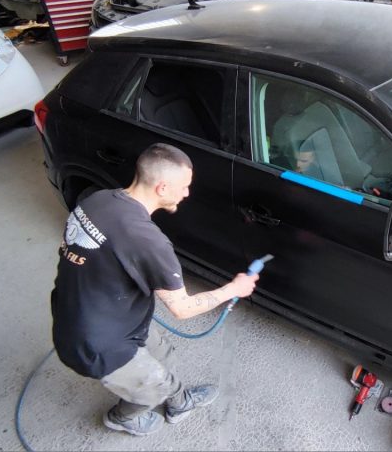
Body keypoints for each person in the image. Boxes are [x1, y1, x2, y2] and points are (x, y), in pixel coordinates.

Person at [50, 143, 259, 436]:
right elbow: (182, 309)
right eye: (184, 186)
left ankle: (179, 401)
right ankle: (121, 418)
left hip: (95, 312)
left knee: (163, 354)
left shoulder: (98, 200)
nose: (187, 193)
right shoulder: (150, 242)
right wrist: (234, 288)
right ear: (162, 188)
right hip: (95, 341)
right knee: (150, 390)